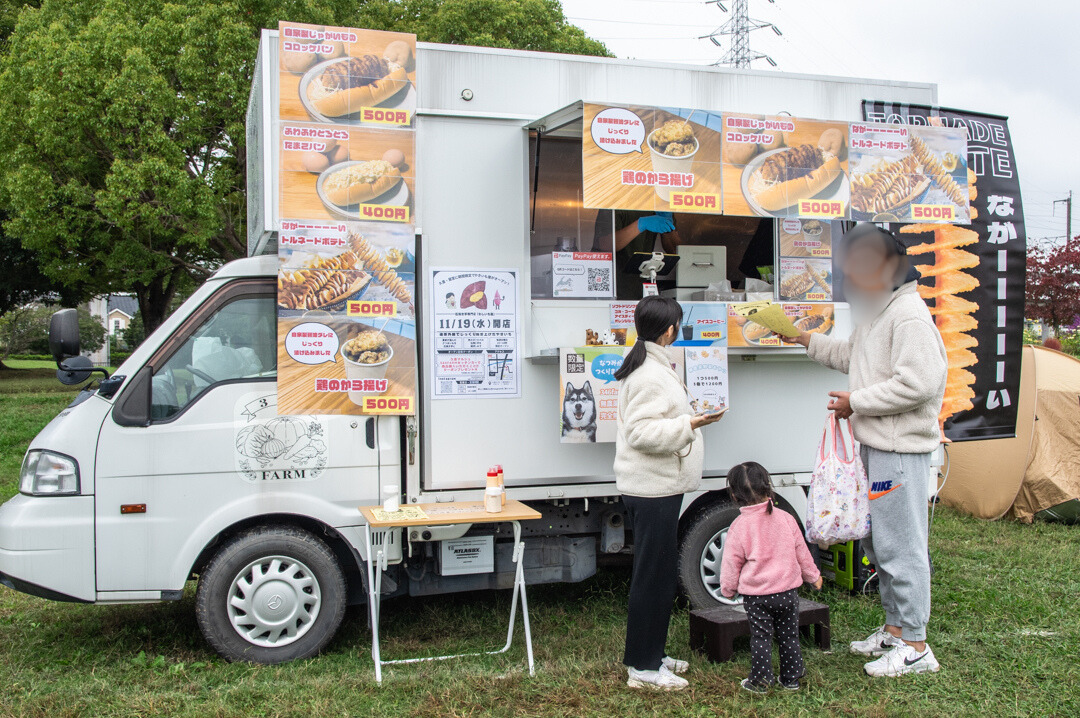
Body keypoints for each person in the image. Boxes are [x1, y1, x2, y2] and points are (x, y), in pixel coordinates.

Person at [794, 222, 947, 678]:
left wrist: (854, 402)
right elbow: (850, 358)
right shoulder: (879, 312)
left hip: (899, 451)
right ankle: (895, 631)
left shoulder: (909, 316)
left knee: (902, 547)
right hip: (876, 445)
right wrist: (800, 337)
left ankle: (917, 645)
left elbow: (919, 384)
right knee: (879, 544)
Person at [613, 295, 724, 690]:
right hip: (652, 488)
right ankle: (643, 669)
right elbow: (641, 433)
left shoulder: (650, 365)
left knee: (657, 574)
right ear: (670, 329)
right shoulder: (649, 374)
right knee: (653, 577)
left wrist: (688, 420)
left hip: (656, 486)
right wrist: (691, 423)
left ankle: (652, 654)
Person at [720, 461, 822, 693]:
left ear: (735, 496)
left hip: (757, 597)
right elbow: (802, 552)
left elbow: (731, 562)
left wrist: (728, 589)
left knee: (761, 638)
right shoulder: (785, 518)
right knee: (789, 636)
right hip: (787, 592)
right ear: (769, 488)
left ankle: (761, 681)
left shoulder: (739, 526)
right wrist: (813, 576)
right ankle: (791, 678)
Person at [593, 210, 681, 299]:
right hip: (608, 282)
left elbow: (675, 250)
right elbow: (604, 244)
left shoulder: (658, 203)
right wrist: (641, 224)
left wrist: (669, 226)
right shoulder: (616, 201)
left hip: (637, 284)